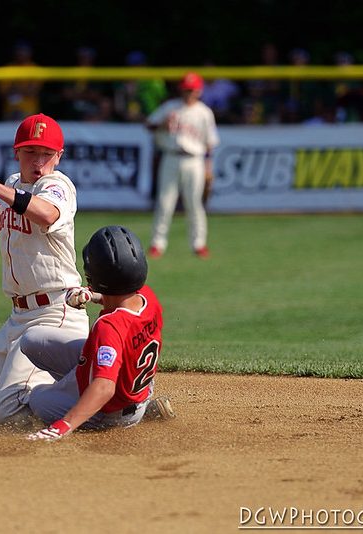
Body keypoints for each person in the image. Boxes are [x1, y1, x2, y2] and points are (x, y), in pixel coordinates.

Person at [0, 113, 90, 424]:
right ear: (17, 152)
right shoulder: (14, 184)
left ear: (58, 156)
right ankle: (61, 390)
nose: (38, 161)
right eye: (30, 152)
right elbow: (2, 223)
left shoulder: (58, 185)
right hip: (18, 318)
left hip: (55, 317)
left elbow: (46, 214)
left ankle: (107, 407)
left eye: (46, 153)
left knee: (6, 409)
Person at [25, 225, 173, 441]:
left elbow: (104, 387)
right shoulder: (147, 296)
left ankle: (134, 415)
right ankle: (140, 408)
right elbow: (121, 301)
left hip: (112, 412)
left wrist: (62, 426)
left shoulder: (109, 326)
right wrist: (93, 297)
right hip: (136, 387)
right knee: (32, 340)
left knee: (37, 398)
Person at [145, 72, 220, 259]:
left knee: (194, 203)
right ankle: (157, 243)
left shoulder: (204, 112)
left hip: (195, 159)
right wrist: (162, 124)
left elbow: (210, 143)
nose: (188, 93)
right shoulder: (171, 107)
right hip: (171, 156)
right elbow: (149, 125)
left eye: (192, 90)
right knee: (165, 202)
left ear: (199, 91)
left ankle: (199, 243)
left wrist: (209, 167)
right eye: (186, 90)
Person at [0, 41, 43, 121]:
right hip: (10, 111)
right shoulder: (8, 68)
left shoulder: (34, 69)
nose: (21, 54)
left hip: (29, 112)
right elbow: (3, 92)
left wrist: (15, 86)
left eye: (24, 51)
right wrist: (24, 88)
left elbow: (32, 92)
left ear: (29, 53)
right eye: (19, 51)